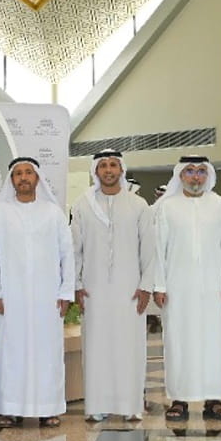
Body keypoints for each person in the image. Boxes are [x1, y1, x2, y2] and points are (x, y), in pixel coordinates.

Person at [0, 157, 75, 427]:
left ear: (37, 178)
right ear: (11, 180)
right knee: (11, 353)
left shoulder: (53, 213)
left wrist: (66, 292)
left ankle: (48, 408)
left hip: (48, 298)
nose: (23, 177)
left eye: (28, 173)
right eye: (18, 174)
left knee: (47, 353)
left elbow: (67, 254)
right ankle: (9, 408)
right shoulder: (0, 213)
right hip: (11, 298)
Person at [70, 149, 157, 423]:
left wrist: (146, 286)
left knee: (130, 346)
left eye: (113, 165)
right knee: (96, 347)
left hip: (130, 289)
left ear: (121, 170)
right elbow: (75, 248)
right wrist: (76, 284)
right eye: (103, 166)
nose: (108, 170)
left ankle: (130, 404)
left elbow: (149, 249)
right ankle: (97, 404)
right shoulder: (82, 205)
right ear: (96, 171)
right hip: (94, 289)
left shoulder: (138, 205)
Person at [153, 155, 221, 421]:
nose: (195, 176)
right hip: (177, 288)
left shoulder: (219, 205)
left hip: (213, 288)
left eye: (201, 171)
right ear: (180, 175)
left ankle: (215, 399)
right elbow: (159, 250)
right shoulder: (167, 207)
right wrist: (159, 285)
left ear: (208, 175)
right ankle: (179, 399)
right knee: (178, 341)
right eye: (190, 171)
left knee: (213, 342)